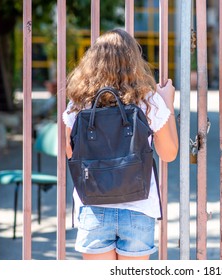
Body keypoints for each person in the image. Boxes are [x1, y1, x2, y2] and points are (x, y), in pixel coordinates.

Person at [62, 28, 178, 260]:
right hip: (138, 208)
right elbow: (169, 153)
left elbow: (70, 152)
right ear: (134, 61)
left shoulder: (79, 102)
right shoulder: (148, 101)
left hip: (93, 206)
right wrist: (167, 104)